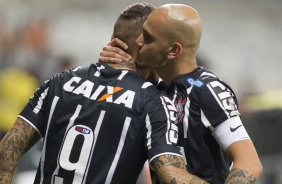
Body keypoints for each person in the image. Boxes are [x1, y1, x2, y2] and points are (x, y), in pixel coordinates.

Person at [0, 3, 208, 184]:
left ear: (113, 39)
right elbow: (171, 174)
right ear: (143, 46)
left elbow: (7, 150)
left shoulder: (59, 82)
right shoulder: (152, 103)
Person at [99, 3, 263, 184]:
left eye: (148, 38)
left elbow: (249, 162)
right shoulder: (154, 89)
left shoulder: (206, 90)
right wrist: (108, 68)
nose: (139, 42)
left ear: (173, 50)